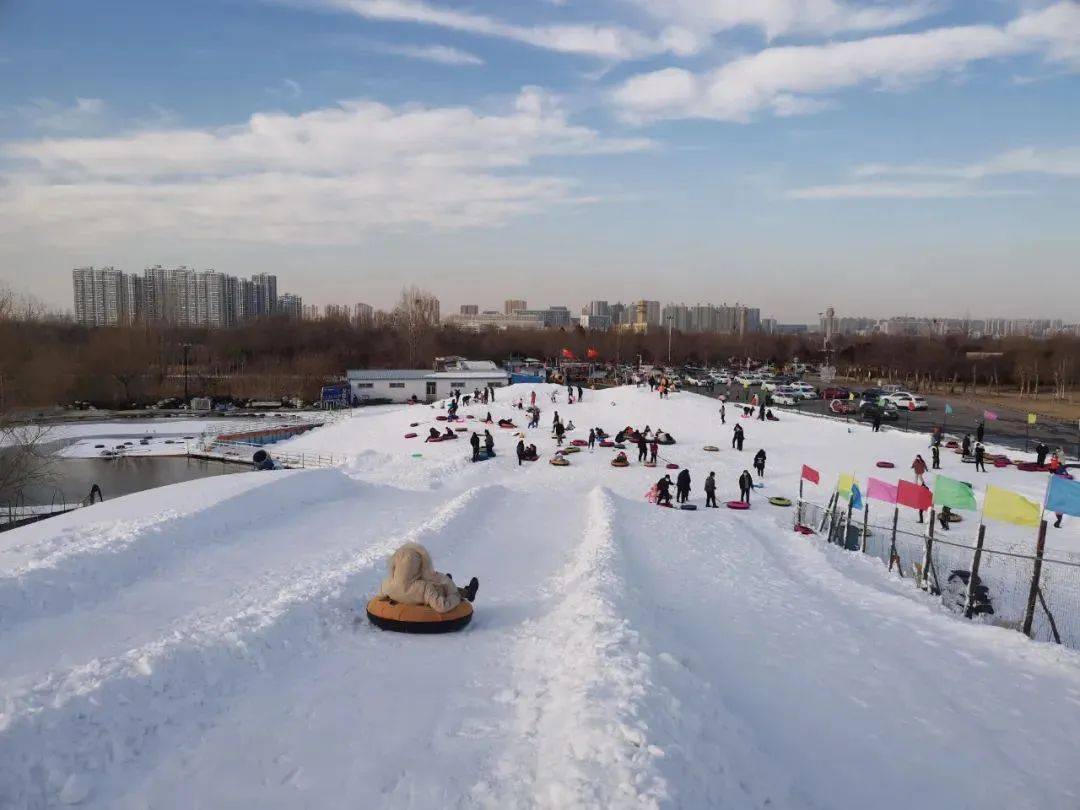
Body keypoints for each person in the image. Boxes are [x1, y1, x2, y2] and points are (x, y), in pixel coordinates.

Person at [378, 542, 478, 613]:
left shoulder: (386, 584)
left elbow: (380, 597)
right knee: (442, 588)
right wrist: (455, 596)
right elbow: (441, 606)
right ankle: (468, 593)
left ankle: (451, 583)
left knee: (437, 583)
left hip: (408, 592)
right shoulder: (424, 588)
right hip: (435, 593)